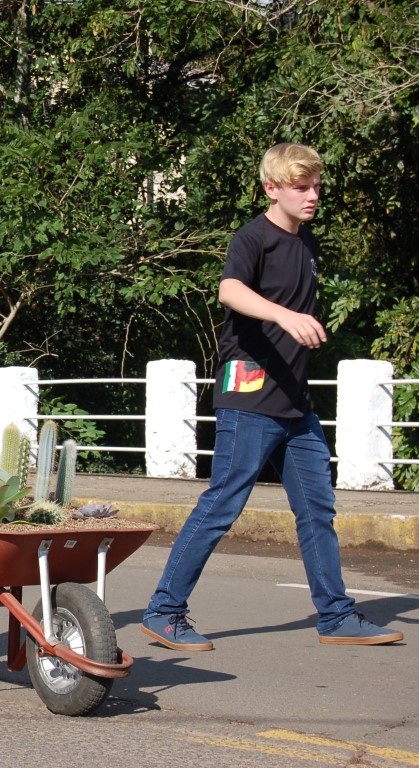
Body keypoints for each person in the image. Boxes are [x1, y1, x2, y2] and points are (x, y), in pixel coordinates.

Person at [142, 143, 404, 651]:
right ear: (272, 188)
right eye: (301, 187)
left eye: (316, 186)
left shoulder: (307, 242)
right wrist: (285, 316)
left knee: (317, 510)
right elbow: (229, 291)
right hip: (249, 399)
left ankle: (336, 616)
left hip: (295, 405)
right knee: (223, 504)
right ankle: (164, 611)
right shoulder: (253, 238)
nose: (312, 195)